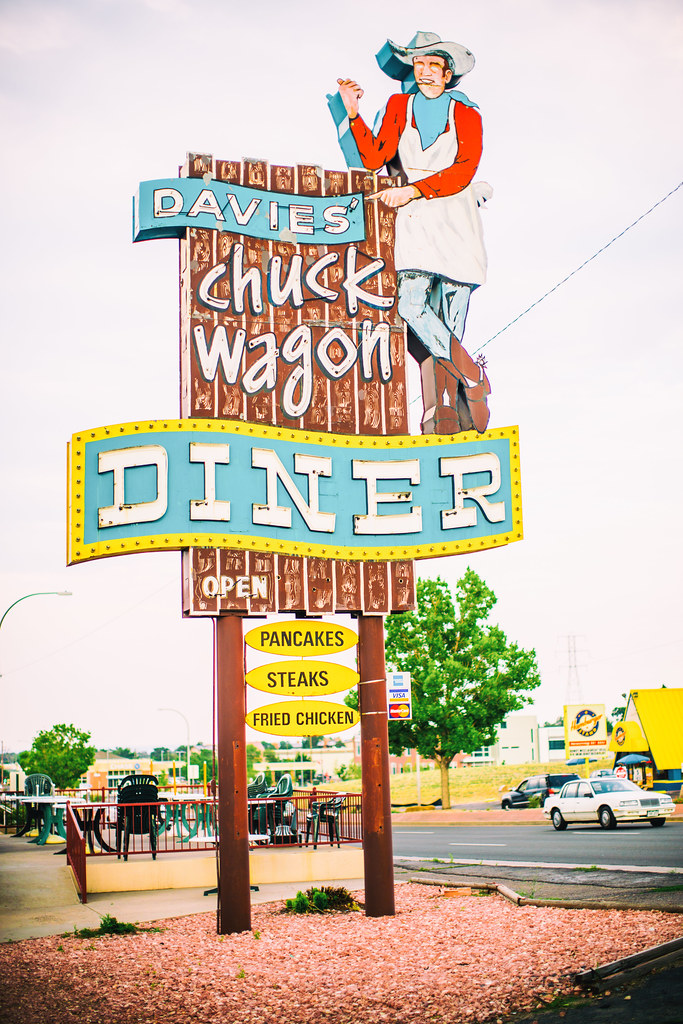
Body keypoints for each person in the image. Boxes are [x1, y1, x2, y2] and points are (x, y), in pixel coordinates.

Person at [336, 31, 491, 434]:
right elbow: (374, 156)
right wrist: (352, 113)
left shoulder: (467, 113)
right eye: (418, 65)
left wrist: (415, 189)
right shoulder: (398, 105)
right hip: (414, 221)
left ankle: (445, 418)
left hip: (454, 214)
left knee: (451, 322)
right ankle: (474, 379)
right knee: (411, 305)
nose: (425, 73)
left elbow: (465, 169)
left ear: (447, 72)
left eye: (432, 66)